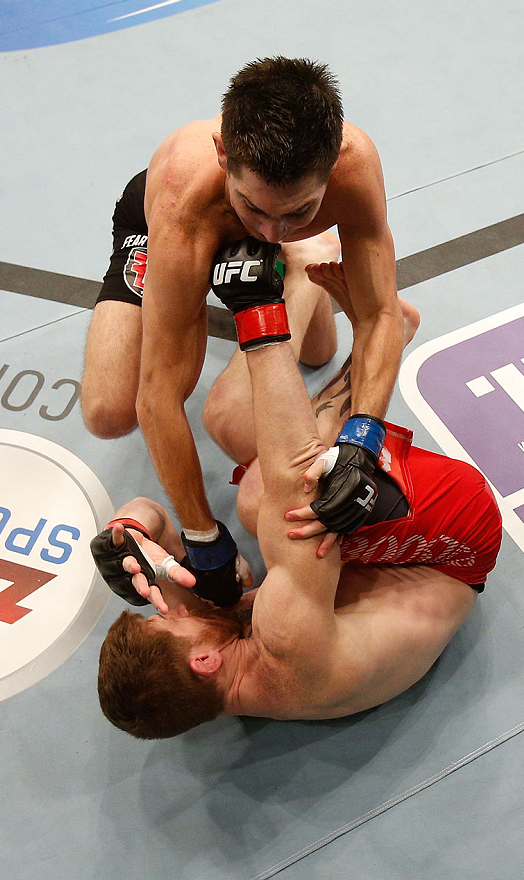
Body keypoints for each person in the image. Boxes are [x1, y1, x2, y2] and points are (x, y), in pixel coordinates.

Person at [94, 248, 502, 739]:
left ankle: (319, 275)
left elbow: (152, 517)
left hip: (380, 563)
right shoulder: (286, 647)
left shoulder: (213, 668)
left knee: (224, 417)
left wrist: (126, 530)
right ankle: (381, 335)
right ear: (203, 662)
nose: (176, 610)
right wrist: (256, 310)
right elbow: (296, 469)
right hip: (453, 539)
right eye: (171, 623)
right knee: (272, 498)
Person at [81, 57, 404, 586]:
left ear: (331, 168)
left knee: (319, 354)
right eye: (254, 207)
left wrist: (363, 440)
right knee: (108, 412)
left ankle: (303, 264)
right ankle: (301, 259)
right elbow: (159, 391)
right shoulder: (184, 200)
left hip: (250, 217)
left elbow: (381, 312)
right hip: (165, 223)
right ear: (222, 153)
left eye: (298, 212)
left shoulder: (356, 163)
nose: (272, 228)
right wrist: (202, 536)